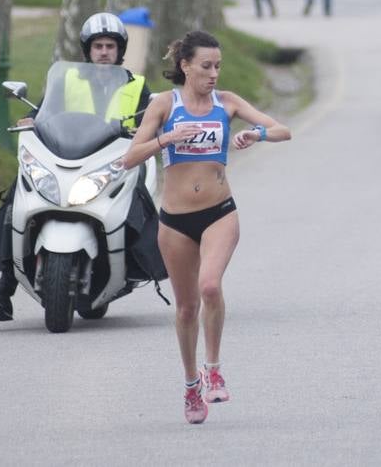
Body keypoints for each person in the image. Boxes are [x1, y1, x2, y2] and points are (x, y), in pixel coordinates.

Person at [118, 30, 291, 424]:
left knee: (210, 285)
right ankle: (191, 384)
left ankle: (214, 368)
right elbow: (130, 158)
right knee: (185, 309)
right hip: (175, 220)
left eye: (218, 66)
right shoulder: (164, 104)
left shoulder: (226, 102)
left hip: (219, 212)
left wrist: (256, 133)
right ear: (185, 66)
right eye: (206, 66)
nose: (214, 73)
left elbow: (284, 129)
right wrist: (166, 138)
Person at [0, 13, 152, 321]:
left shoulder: (136, 86)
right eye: (97, 45)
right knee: (16, 199)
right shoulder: (67, 79)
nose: (103, 52)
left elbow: (150, 120)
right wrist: (32, 121)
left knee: (141, 200)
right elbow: (47, 111)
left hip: (114, 160)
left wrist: (148, 131)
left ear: (119, 49)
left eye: (110, 46)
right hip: (67, 158)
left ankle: (139, 266)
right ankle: (4, 287)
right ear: (87, 49)